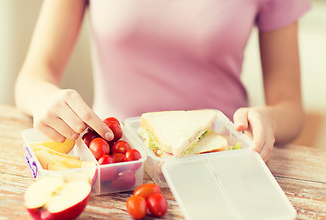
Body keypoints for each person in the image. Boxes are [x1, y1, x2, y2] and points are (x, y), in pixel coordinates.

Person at [15, 0, 310, 162]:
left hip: (222, 159)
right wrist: (45, 98)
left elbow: (291, 109)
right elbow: (32, 78)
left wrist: (267, 119)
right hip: (117, 158)